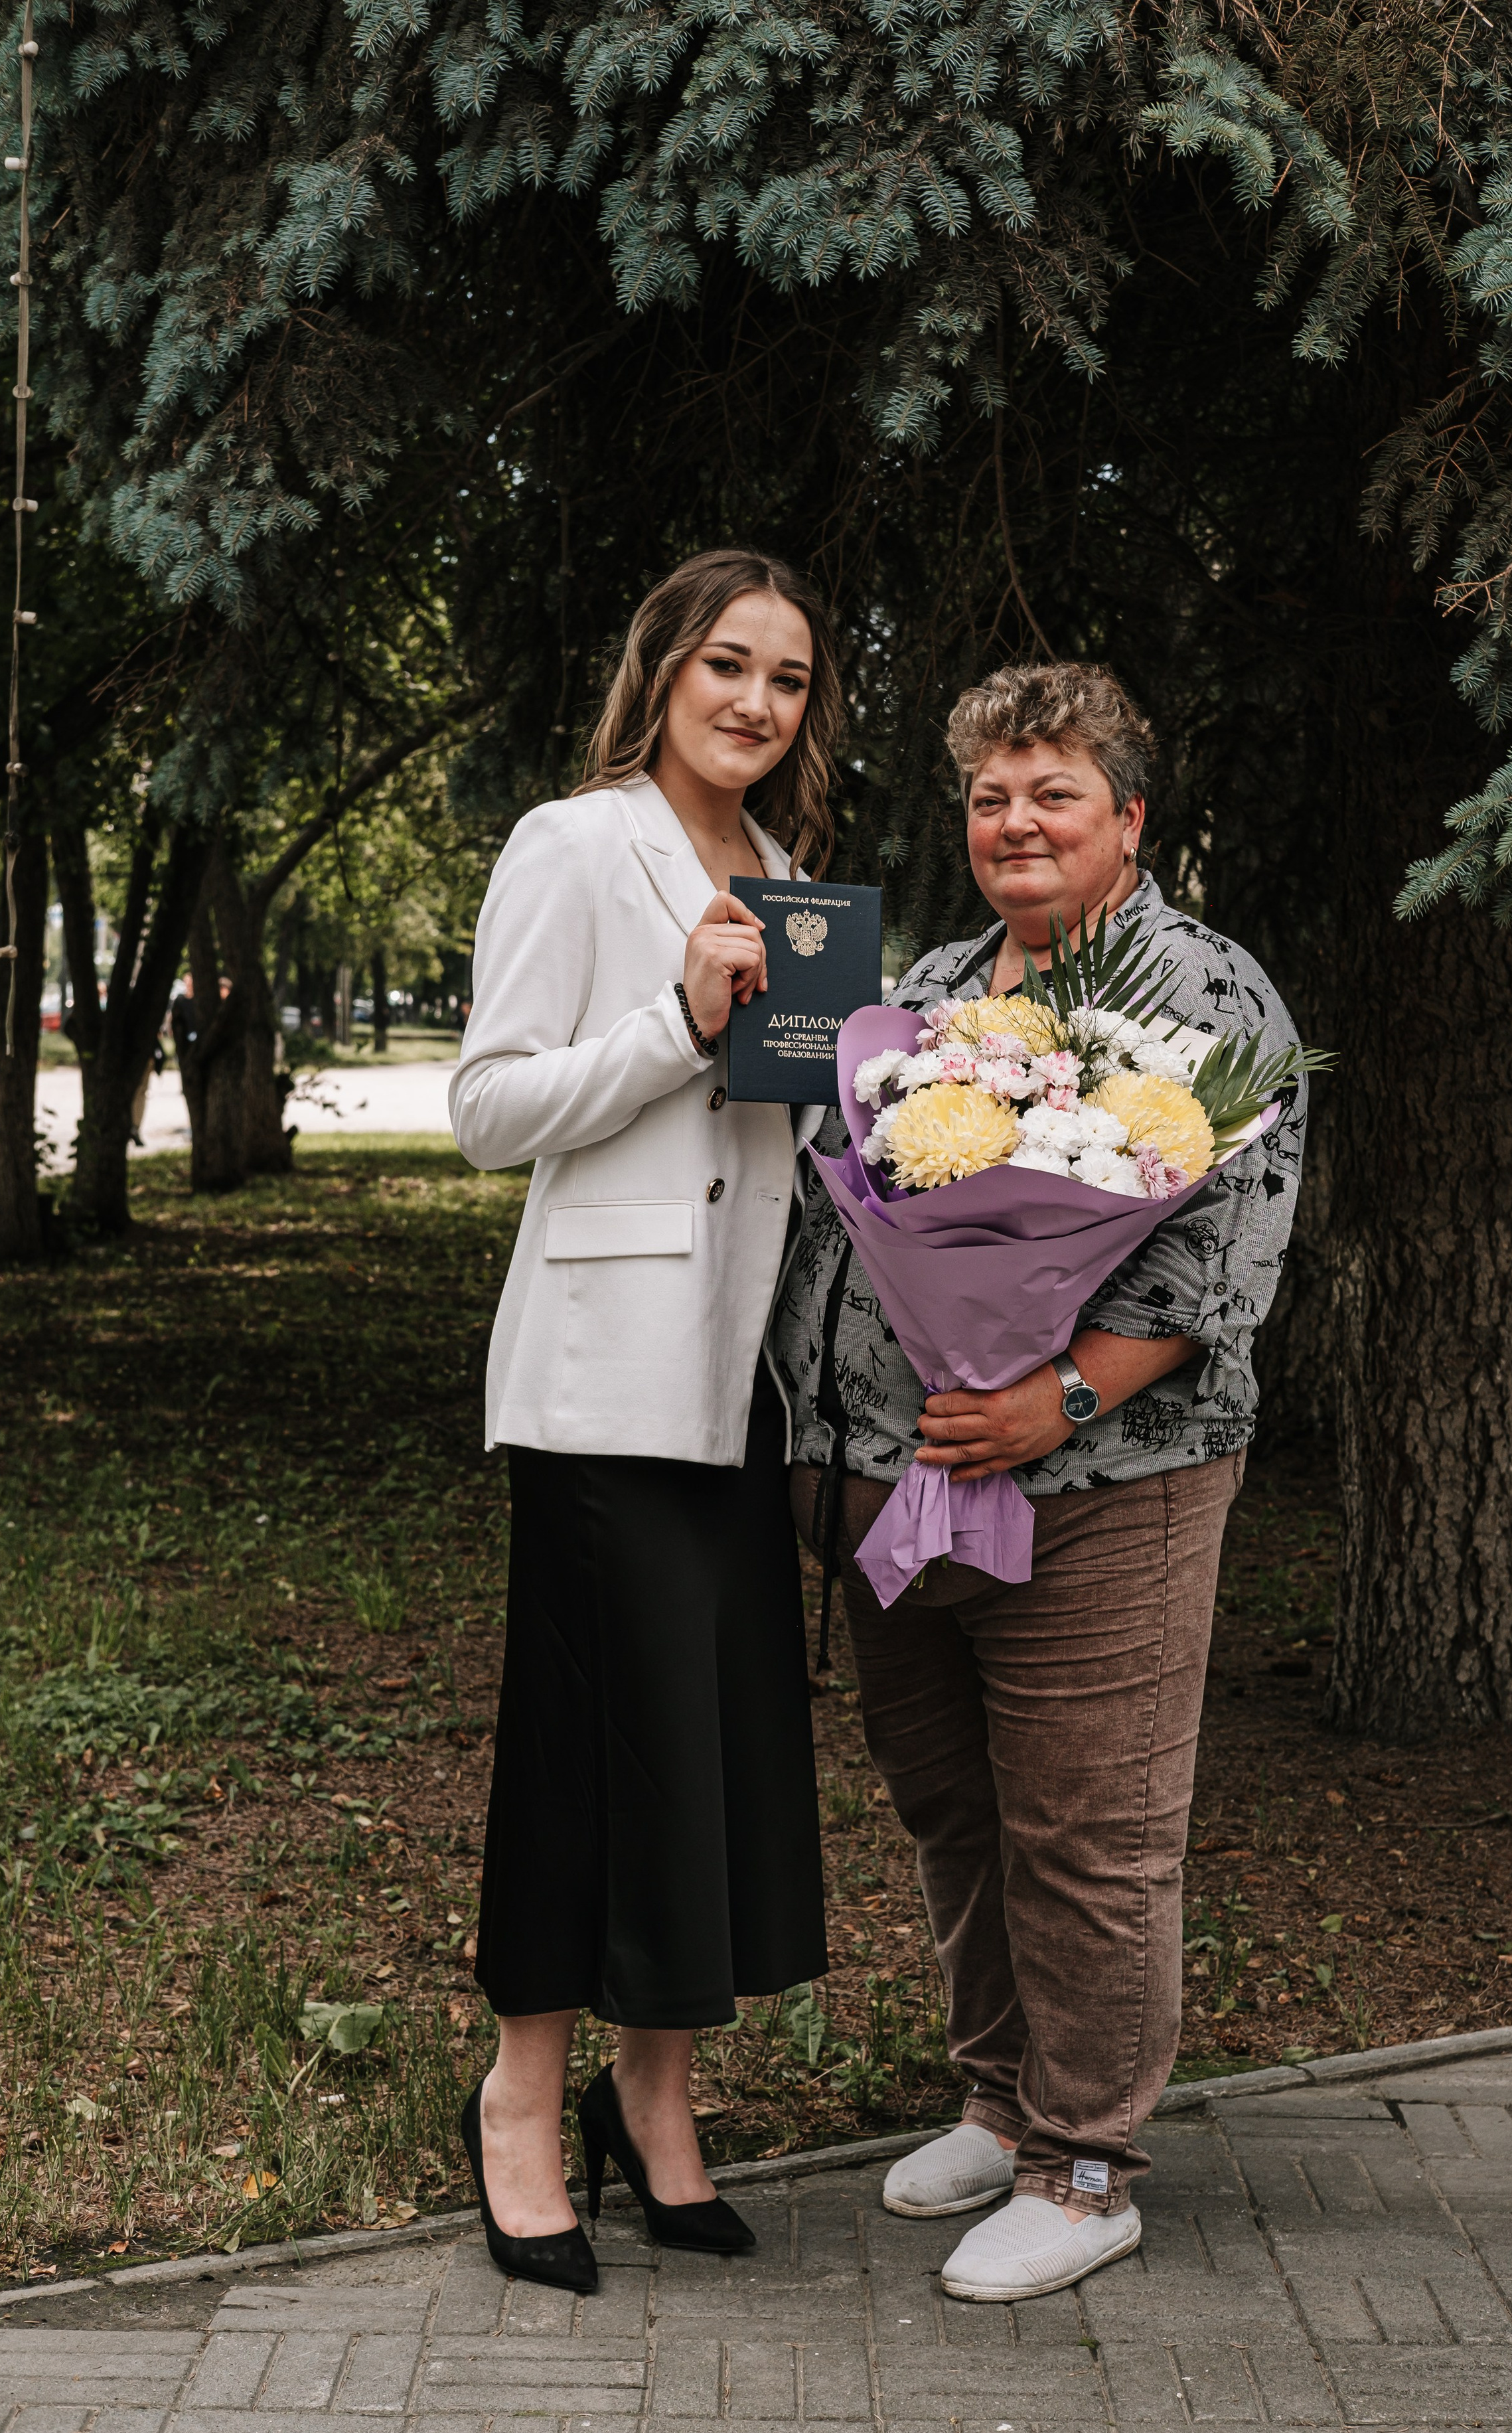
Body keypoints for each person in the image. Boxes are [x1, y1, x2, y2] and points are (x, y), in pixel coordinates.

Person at [774, 661, 1305, 2306]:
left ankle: (1084, 2170)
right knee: (952, 1802)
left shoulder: (1204, 989)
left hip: (1106, 1486)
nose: (1017, 819)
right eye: (992, 794)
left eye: (1053, 790)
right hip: (900, 1474)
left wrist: (1053, 1395)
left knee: (1087, 1825)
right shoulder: (929, 985)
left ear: (1126, 816)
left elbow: (1224, 1261)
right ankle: (1001, 2106)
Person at [449, 549, 844, 2294]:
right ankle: (521, 2107)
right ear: (665, 668)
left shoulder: (800, 886)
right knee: (584, 1759)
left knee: (715, 1758)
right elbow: (487, 1110)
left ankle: (656, 2104)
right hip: (607, 1375)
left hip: (749, 1382)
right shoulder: (572, 841)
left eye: (791, 679)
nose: (759, 702)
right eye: (730, 666)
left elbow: (803, 1150)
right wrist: (680, 1021)